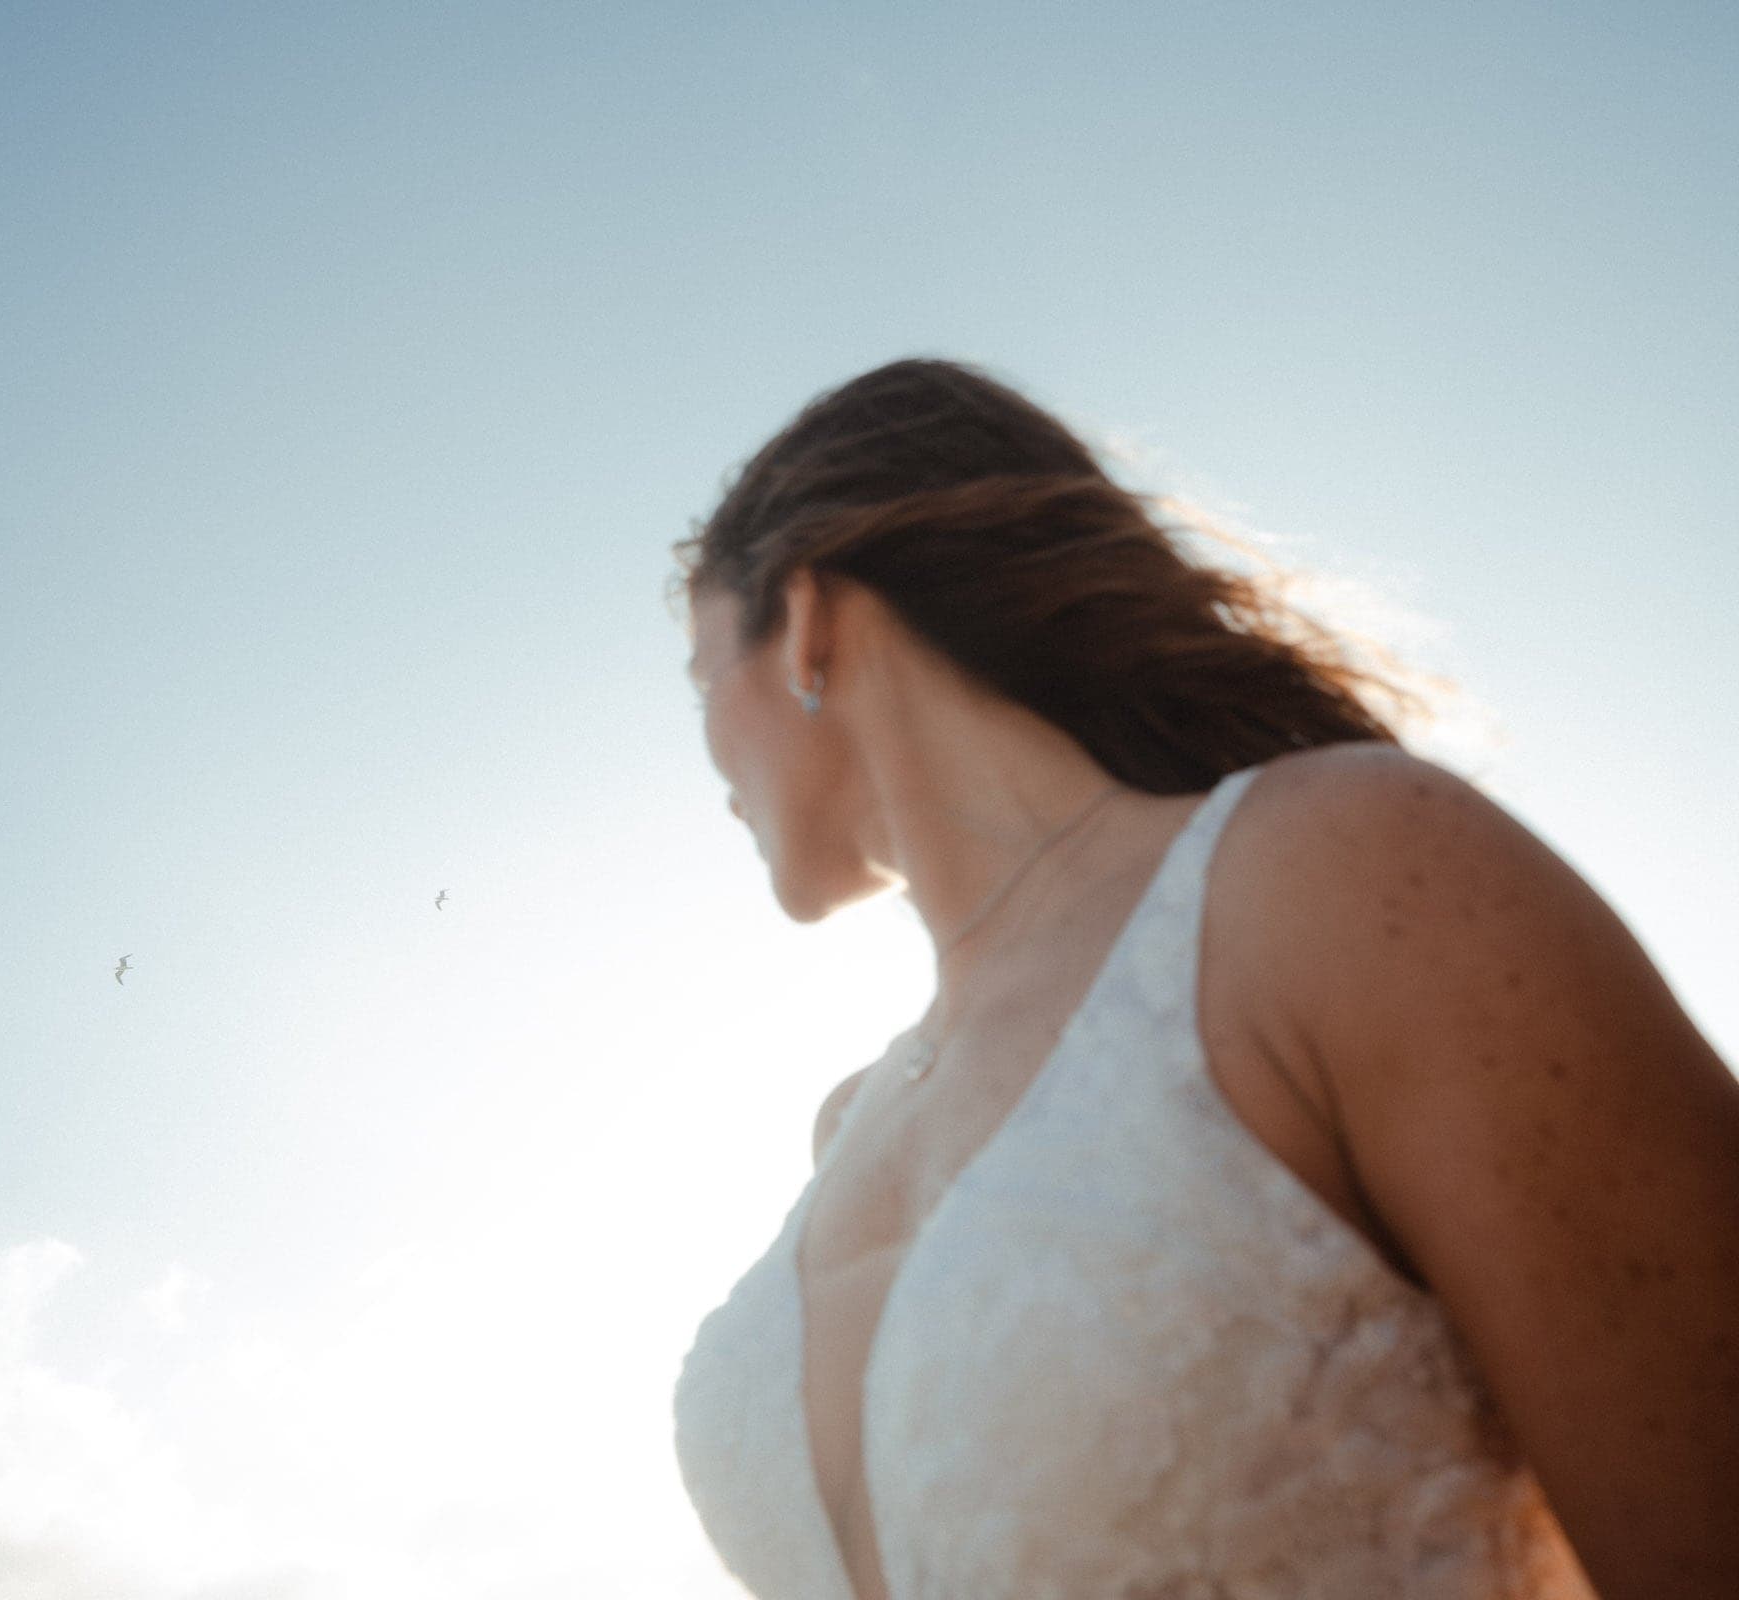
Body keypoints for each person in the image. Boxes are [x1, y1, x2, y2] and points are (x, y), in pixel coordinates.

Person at [666, 358, 1739, 1600]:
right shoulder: (847, 1127)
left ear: (805, 621)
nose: (706, 755)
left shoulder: (1344, 872)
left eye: (703, 678)